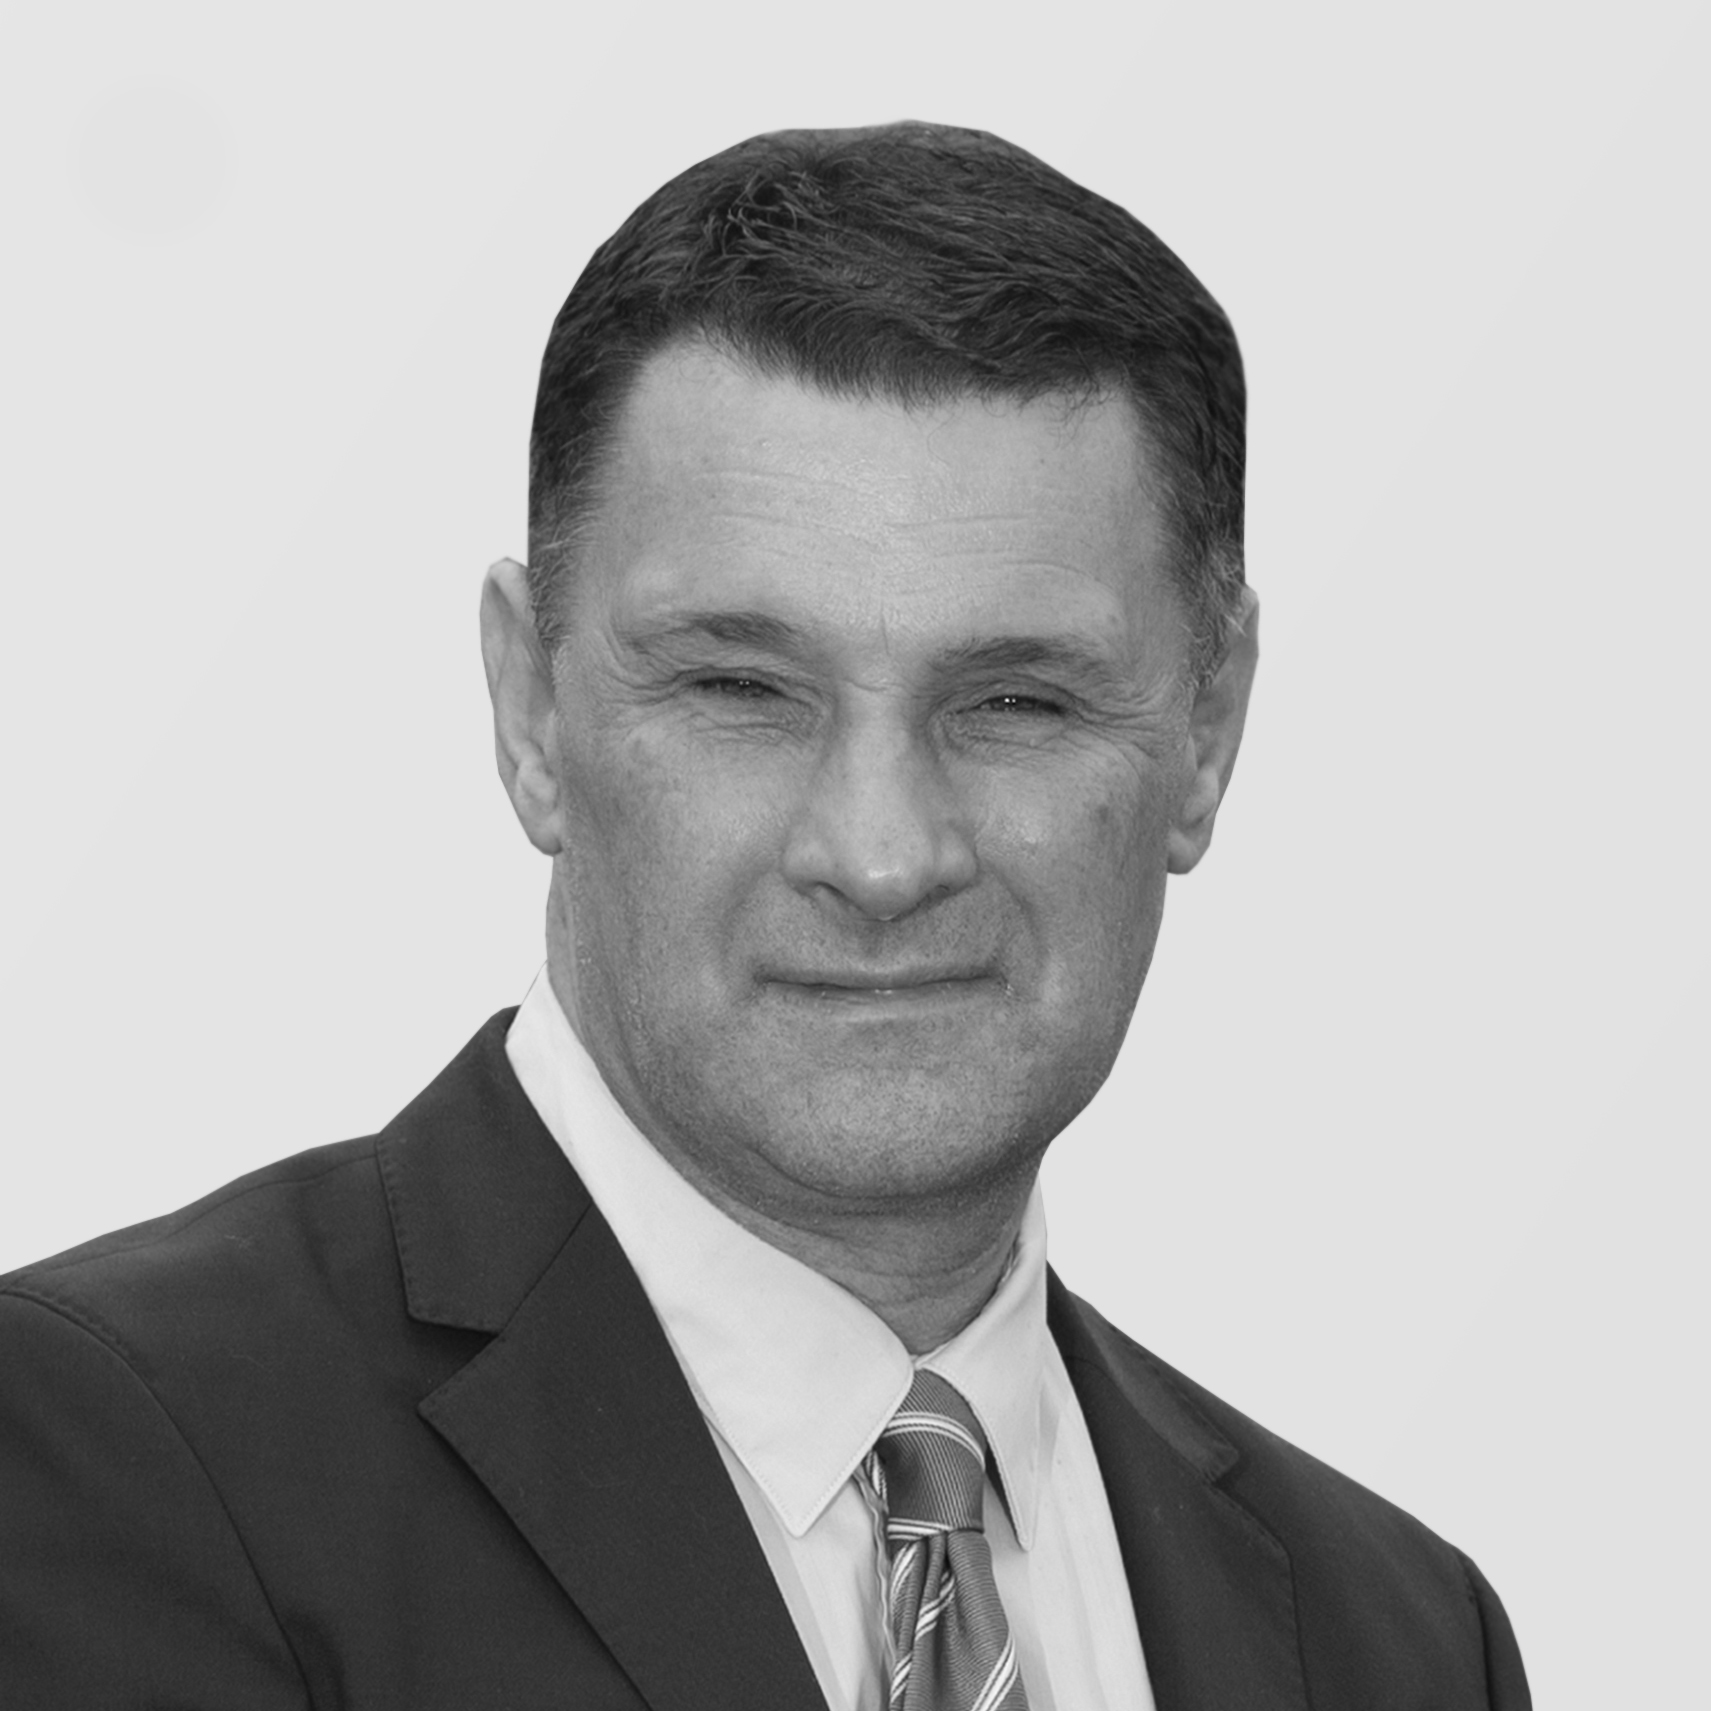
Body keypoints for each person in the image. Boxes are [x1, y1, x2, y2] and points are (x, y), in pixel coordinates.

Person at [0, 122, 1530, 1710]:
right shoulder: (104, 1464)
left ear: (1207, 734)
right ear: (531, 710)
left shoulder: (1400, 1639)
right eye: (742, 688)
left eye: (1015, 699)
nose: (881, 856)